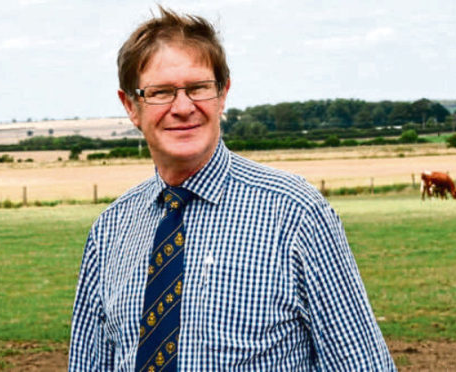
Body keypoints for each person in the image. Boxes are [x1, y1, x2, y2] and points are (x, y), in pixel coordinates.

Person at [69, 7, 396, 371]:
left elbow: (362, 364)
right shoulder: (110, 231)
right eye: (161, 92)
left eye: (198, 88)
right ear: (131, 105)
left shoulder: (294, 213)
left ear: (222, 94)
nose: (183, 107)